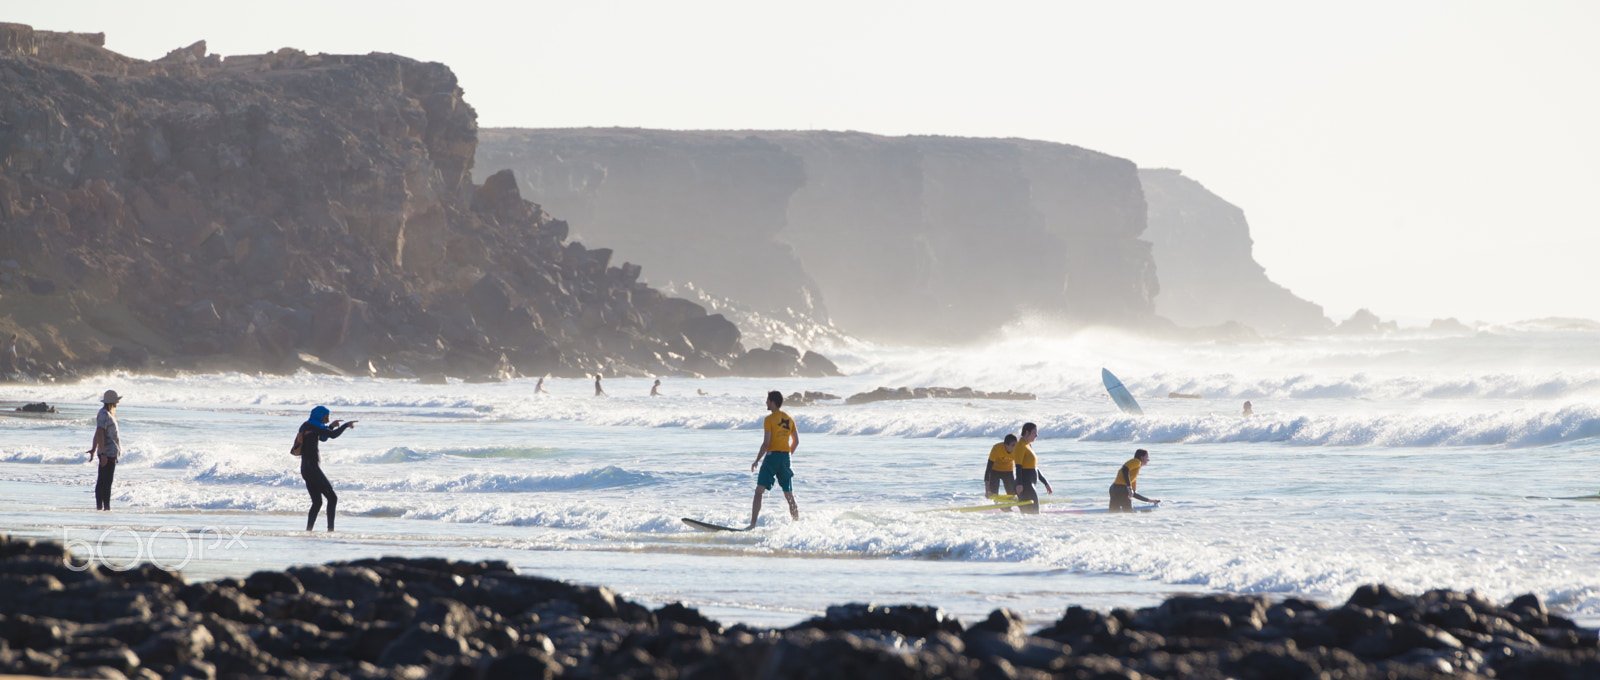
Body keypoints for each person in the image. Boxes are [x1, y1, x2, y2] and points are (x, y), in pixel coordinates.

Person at [293, 406, 355, 531]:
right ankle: (330, 530)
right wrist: (346, 425)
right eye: (326, 416)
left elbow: (323, 437)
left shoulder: (307, 425)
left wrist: (331, 426)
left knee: (317, 502)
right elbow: (332, 435)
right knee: (332, 498)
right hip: (312, 468)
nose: (327, 418)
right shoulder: (313, 426)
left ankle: (309, 530)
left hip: (306, 468)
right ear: (320, 415)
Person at [749, 390, 800, 527]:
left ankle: (752, 525)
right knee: (789, 495)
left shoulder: (769, 419)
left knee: (759, 491)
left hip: (772, 457)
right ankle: (797, 525)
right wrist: (787, 455)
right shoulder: (789, 418)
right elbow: (796, 441)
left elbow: (766, 443)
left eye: (767, 400)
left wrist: (757, 460)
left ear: (773, 402)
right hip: (785, 458)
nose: (766, 402)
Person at [84, 390, 122, 511]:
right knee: (105, 482)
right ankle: (104, 508)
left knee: (104, 481)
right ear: (112, 401)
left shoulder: (107, 414)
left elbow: (98, 432)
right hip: (108, 452)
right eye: (116, 399)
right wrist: (103, 453)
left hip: (108, 452)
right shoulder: (105, 414)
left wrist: (94, 449)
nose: (118, 401)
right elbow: (100, 432)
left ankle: (102, 508)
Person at [1012, 422, 1053, 514]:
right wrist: (1019, 485)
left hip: (1029, 484)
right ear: (1027, 432)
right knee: (1034, 513)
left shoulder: (1028, 445)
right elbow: (1018, 466)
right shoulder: (1020, 446)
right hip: (1024, 485)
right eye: (1034, 432)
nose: (1037, 435)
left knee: (1030, 513)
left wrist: (1046, 483)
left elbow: (1035, 467)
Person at [984, 434, 1018, 498]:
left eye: (1016, 445)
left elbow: (1021, 468)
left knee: (1012, 494)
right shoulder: (997, 448)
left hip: (1008, 471)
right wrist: (987, 489)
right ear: (1005, 445)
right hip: (995, 471)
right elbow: (988, 469)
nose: (1015, 447)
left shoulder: (1018, 451)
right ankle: (994, 506)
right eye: (1013, 445)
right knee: (993, 494)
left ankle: (1008, 507)